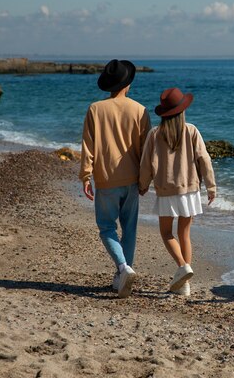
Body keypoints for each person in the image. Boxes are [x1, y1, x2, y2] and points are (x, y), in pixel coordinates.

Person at [79, 59, 151, 298]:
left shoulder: (95, 109)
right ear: (127, 84)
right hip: (131, 178)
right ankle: (123, 273)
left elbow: (88, 147)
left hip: (106, 178)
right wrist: (145, 180)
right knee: (129, 228)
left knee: (107, 227)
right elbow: (145, 151)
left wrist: (85, 175)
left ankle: (122, 269)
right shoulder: (140, 110)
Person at [139, 87, 216, 297]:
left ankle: (183, 267)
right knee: (184, 234)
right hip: (190, 190)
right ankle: (185, 284)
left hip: (166, 190)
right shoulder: (191, 130)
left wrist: (143, 184)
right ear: (182, 110)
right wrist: (211, 186)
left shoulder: (155, 134)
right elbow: (204, 159)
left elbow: (147, 163)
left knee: (166, 233)